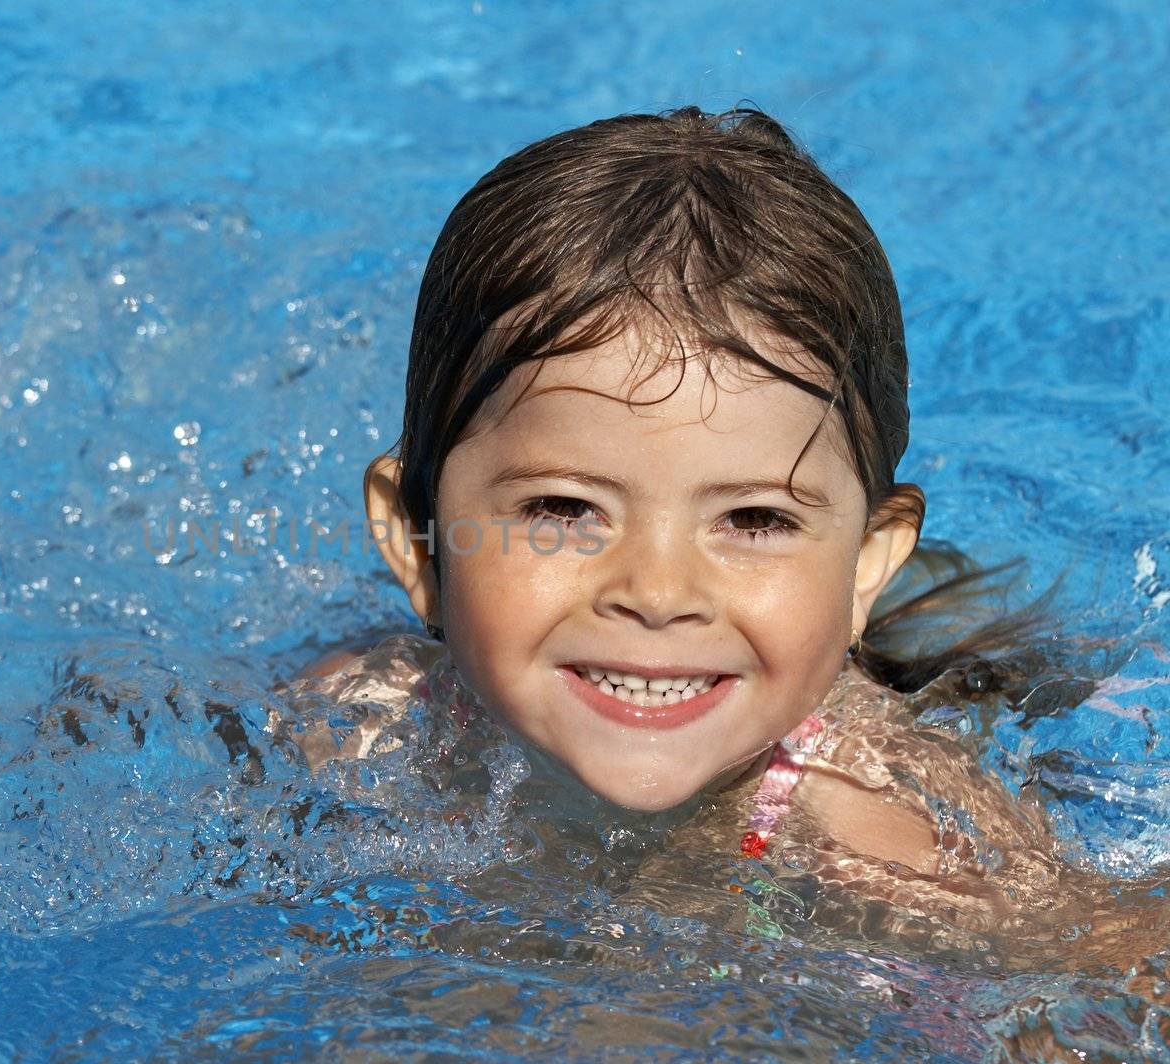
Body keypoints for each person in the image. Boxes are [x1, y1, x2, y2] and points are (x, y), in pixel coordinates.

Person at [276, 106, 1167, 974]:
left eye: (754, 520)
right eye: (564, 509)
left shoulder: (893, 837)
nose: (659, 593)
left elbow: (1111, 964)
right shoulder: (353, 727)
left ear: (865, 565)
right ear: (416, 540)